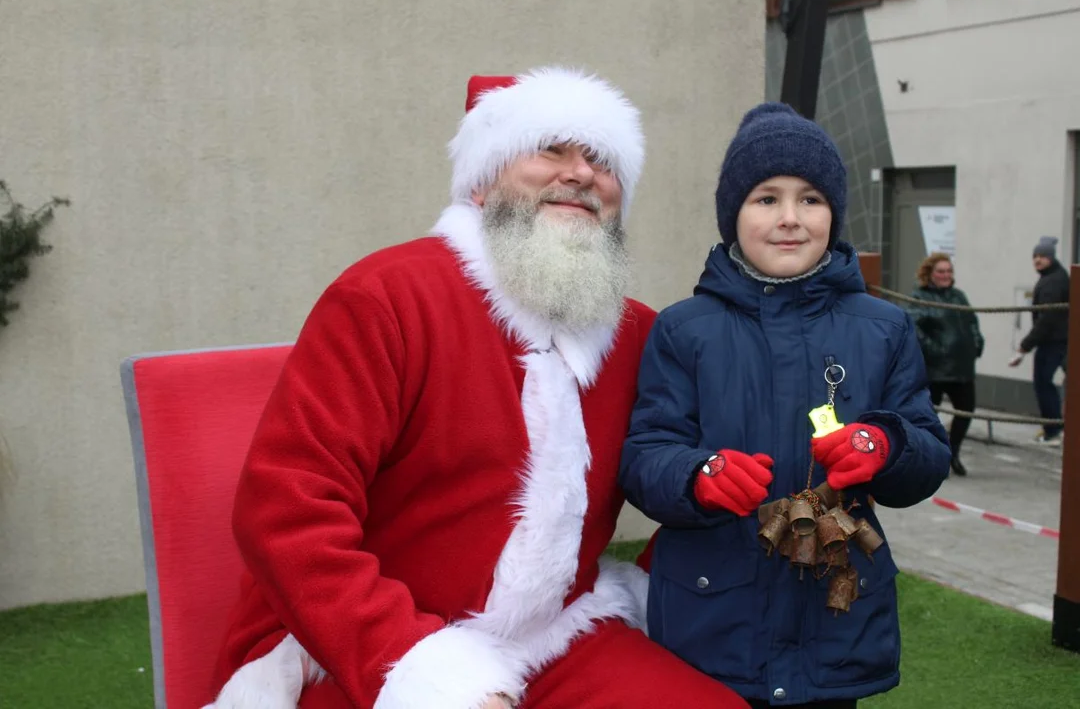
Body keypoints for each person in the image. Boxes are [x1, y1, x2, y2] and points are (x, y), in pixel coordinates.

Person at [205, 68, 748, 709]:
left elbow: (706, 466)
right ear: (484, 180)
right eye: (550, 149)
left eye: (601, 160)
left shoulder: (640, 333)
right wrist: (424, 672)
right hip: (358, 653)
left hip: (554, 637)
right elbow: (286, 513)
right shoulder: (385, 298)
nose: (580, 173)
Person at [619, 102, 951, 708]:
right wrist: (699, 476)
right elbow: (645, 455)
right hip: (711, 618)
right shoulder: (683, 330)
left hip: (835, 617)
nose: (790, 218)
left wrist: (889, 444)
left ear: (835, 214)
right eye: (766, 198)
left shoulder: (884, 328)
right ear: (733, 214)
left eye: (811, 199)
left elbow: (928, 450)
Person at [909, 253, 984, 476]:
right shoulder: (920, 297)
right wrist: (935, 350)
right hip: (936, 369)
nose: (946, 275)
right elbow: (915, 330)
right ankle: (932, 457)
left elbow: (972, 323)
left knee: (966, 411)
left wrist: (977, 344)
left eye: (949, 271)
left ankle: (954, 452)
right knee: (929, 415)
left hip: (962, 367)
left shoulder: (959, 296)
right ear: (930, 274)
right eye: (941, 271)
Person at [1009, 236, 1069, 446]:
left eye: (1042, 256)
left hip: (1053, 341)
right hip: (1057, 339)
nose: (1038, 260)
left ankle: (1053, 430)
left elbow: (1047, 319)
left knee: (1043, 384)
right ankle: (1054, 428)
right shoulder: (1054, 277)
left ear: (1051, 258)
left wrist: (1025, 345)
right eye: (1035, 256)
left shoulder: (1052, 281)